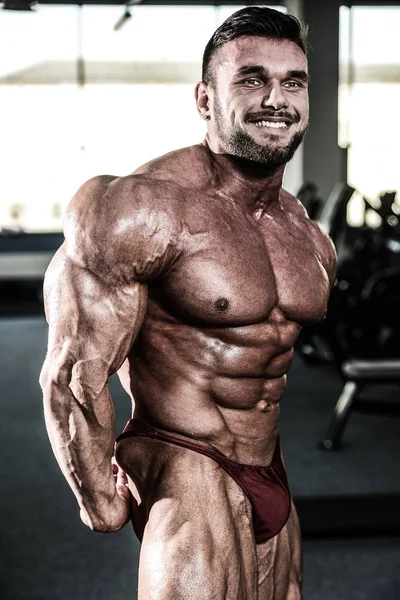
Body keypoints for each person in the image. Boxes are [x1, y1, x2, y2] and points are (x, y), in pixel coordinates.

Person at [39, 6, 336, 599]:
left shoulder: (306, 231)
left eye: (293, 82)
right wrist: (99, 496)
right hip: (186, 462)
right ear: (204, 99)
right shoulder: (140, 208)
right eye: (251, 79)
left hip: (269, 461)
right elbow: (75, 368)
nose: (276, 98)